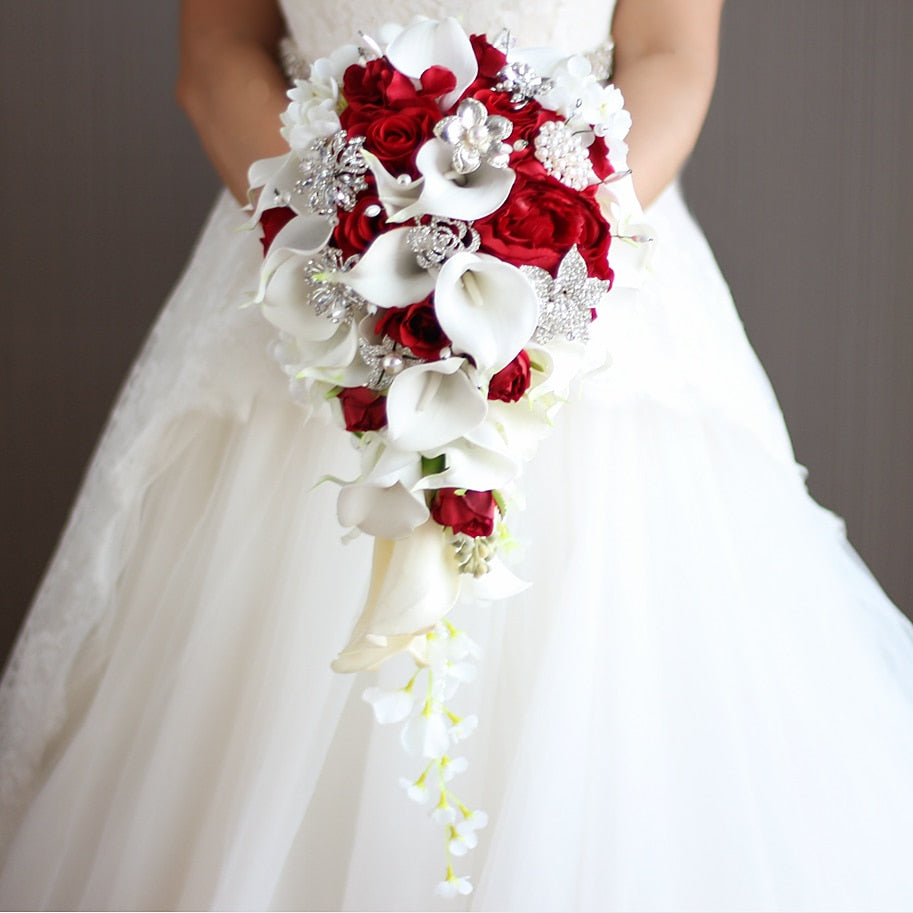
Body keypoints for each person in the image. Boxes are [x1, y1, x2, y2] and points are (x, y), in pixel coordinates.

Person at [2, 0, 913, 909]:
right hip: (316, 261)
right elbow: (217, 55)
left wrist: (553, 235)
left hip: (588, 275)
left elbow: (672, 52)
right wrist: (335, 224)